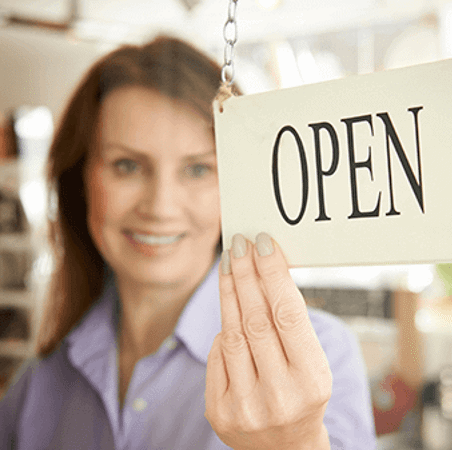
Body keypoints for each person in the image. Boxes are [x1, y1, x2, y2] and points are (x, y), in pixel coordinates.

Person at [0, 35, 376, 449]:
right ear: (80, 182)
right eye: (127, 166)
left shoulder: (315, 360)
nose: (160, 207)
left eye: (198, 170)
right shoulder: (38, 385)